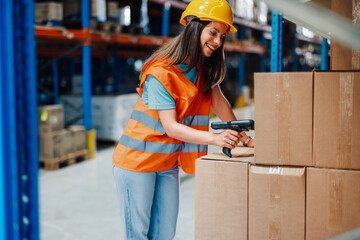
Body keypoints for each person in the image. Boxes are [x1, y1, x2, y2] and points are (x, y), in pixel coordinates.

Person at [112, 0, 255, 239]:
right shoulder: (161, 73)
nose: (218, 41)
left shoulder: (202, 70)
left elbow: (220, 104)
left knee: (165, 233)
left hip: (167, 164)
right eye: (213, 32)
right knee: (138, 234)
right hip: (136, 164)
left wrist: (244, 139)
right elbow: (171, 127)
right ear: (193, 27)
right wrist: (215, 138)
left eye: (222, 35)